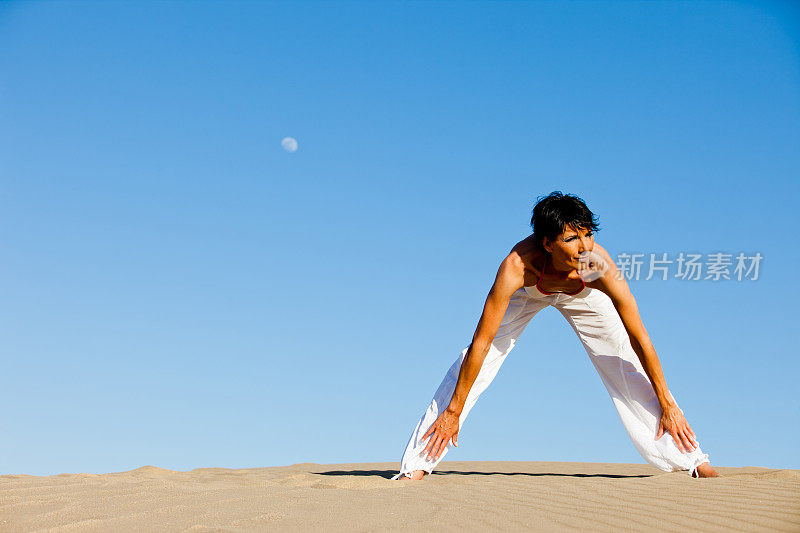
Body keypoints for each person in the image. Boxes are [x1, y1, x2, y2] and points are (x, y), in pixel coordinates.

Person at [392, 191, 719, 480]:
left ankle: (692, 459)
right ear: (547, 243)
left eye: (588, 235)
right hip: (528, 293)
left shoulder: (596, 266)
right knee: (472, 365)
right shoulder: (518, 266)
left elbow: (639, 338)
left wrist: (667, 402)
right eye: (571, 239)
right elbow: (482, 342)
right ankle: (417, 465)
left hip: (582, 296)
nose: (584, 247)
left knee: (623, 361)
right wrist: (454, 411)